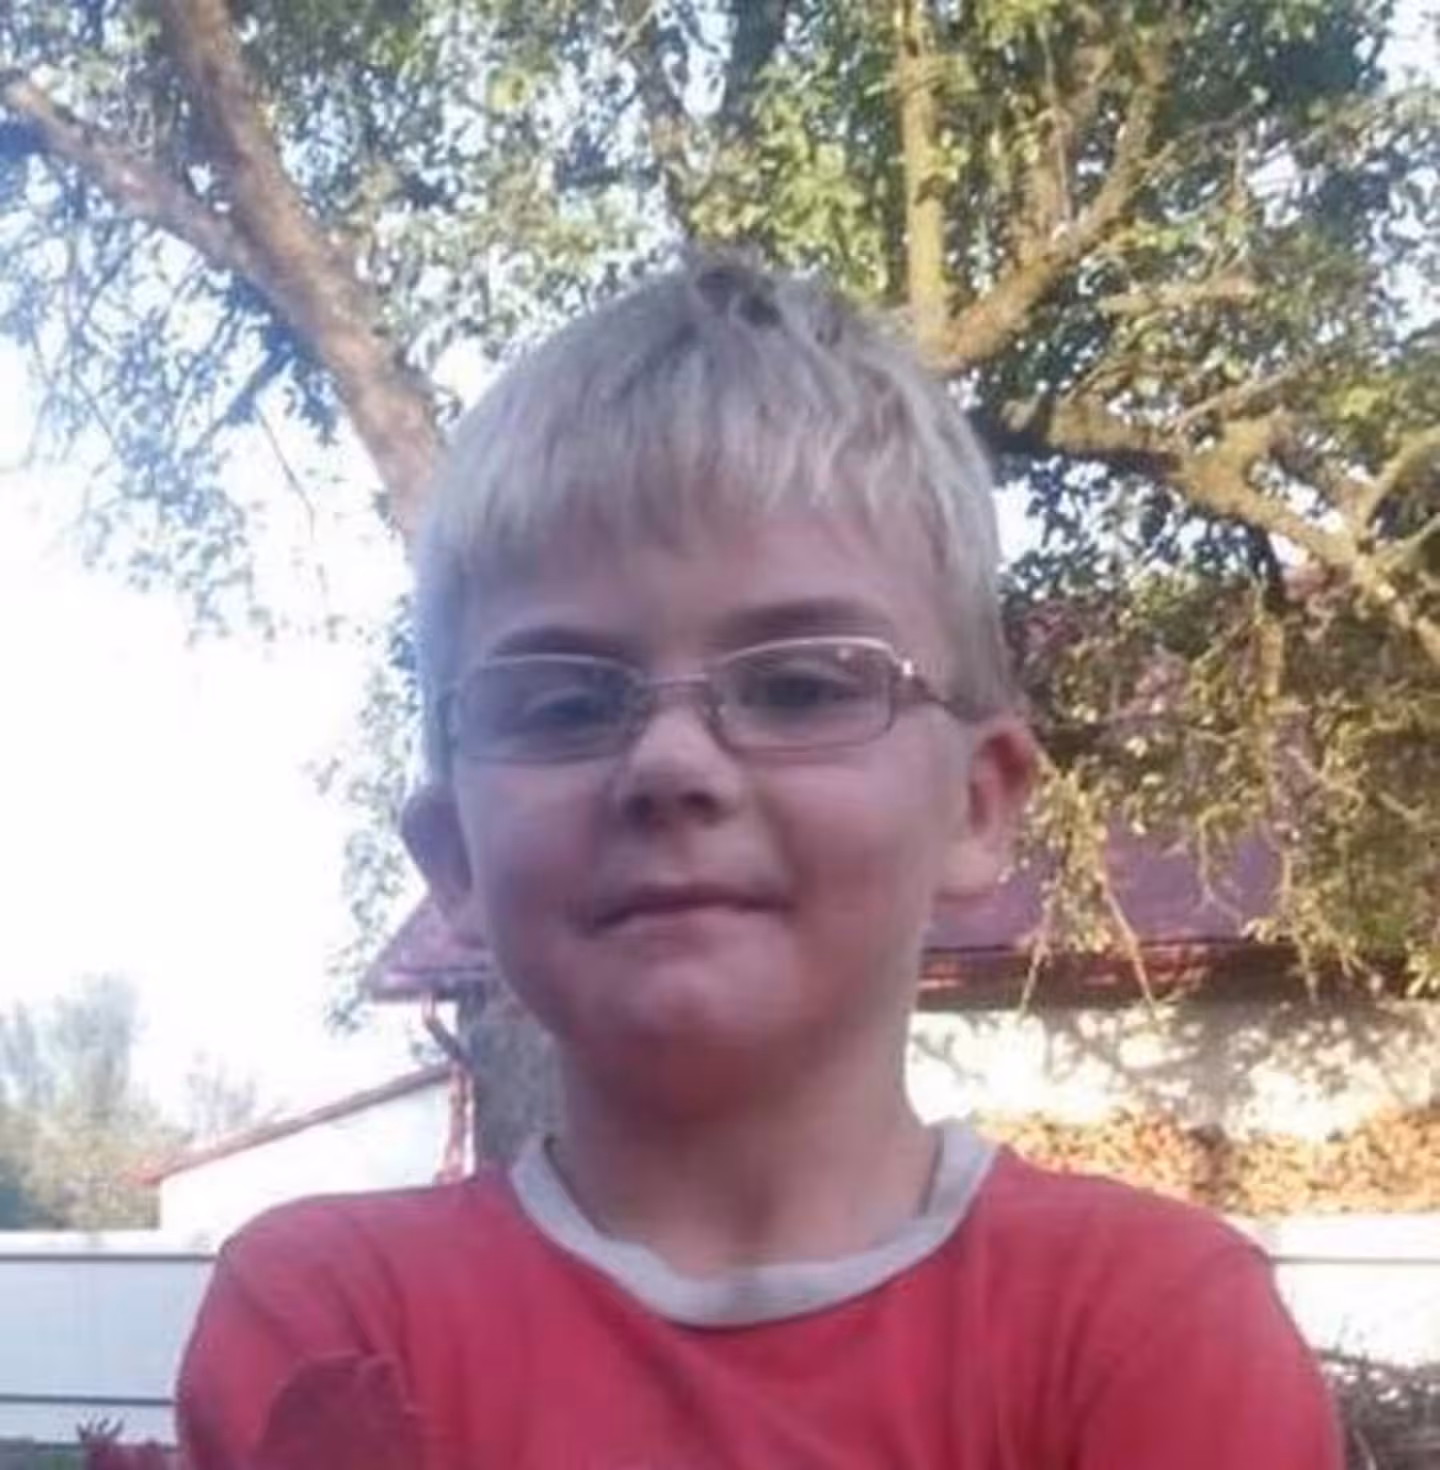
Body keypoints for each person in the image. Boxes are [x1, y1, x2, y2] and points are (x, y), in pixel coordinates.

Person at [176, 259, 1342, 1469]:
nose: (670, 764)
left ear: (975, 803)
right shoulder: (334, 1328)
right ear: (455, 856)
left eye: (800, 686)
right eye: (564, 704)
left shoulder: (1153, 1331)